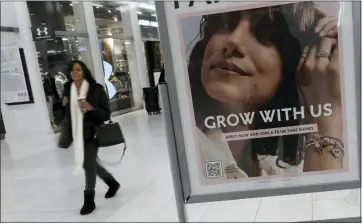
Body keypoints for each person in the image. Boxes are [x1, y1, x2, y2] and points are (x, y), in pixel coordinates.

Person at [187, 2, 342, 179]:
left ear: (294, 65)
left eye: (265, 34)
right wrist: (326, 121)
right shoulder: (189, 151)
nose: (233, 41)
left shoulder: (272, 168)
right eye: (225, 25)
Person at [61, 60, 120, 215]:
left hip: (92, 133)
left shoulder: (96, 89)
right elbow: (64, 115)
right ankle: (112, 183)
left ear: (84, 71)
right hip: (77, 133)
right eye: (72, 70)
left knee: (88, 166)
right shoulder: (68, 89)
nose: (75, 73)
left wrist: (90, 108)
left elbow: (106, 114)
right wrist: (64, 104)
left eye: (78, 69)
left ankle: (89, 201)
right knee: (91, 163)